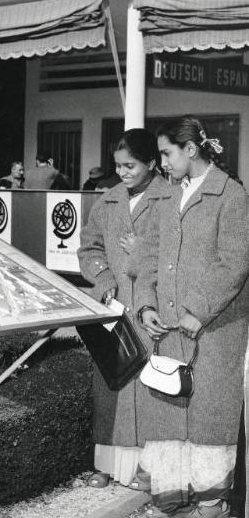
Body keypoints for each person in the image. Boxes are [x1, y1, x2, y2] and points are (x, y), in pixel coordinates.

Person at [134, 116, 249, 517]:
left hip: (215, 334)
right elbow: (148, 257)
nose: (162, 161)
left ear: (191, 149)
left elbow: (235, 262)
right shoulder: (165, 195)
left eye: (166, 152)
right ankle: (168, 502)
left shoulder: (230, 195)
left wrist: (198, 310)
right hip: (167, 333)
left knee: (208, 425)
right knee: (168, 421)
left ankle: (212, 506)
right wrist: (145, 305)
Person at [77, 129, 170, 490]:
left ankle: (150, 469)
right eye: (118, 166)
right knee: (112, 385)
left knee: (151, 389)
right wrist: (103, 283)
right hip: (114, 311)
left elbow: (182, 253)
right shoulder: (108, 201)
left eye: (131, 166)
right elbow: (89, 249)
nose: (124, 173)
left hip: (154, 309)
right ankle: (107, 465)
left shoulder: (171, 197)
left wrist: (141, 250)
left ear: (151, 163)